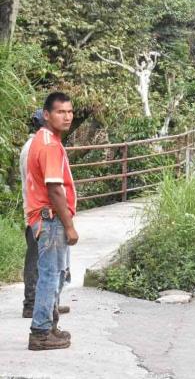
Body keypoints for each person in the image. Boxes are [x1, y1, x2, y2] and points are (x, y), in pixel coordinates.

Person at [26, 92, 78, 351]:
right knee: (49, 275)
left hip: (45, 219)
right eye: (60, 112)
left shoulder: (46, 139)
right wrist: (69, 225)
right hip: (51, 219)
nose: (67, 116)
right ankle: (41, 332)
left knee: (54, 274)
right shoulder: (48, 144)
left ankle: (49, 326)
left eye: (69, 111)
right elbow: (55, 188)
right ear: (46, 115)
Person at [21, 110, 71, 319]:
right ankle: (33, 304)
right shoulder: (40, 146)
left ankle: (47, 304)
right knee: (42, 263)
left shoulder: (37, 144)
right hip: (43, 214)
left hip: (39, 212)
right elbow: (51, 186)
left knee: (47, 262)